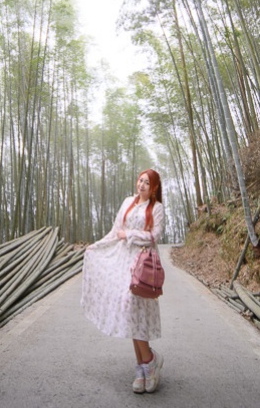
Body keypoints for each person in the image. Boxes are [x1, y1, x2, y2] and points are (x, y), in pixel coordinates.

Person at [81, 169, 166, 394]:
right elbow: (115, 231)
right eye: (140, 180)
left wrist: (129, 235)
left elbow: (154, 236)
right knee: (129, 311)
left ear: (154, 187)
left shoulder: (157, 208)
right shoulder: (128, 202)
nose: (142, 185)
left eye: (147, 183)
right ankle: (144, 365)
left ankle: (148, 361)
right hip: (122, 262)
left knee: (135, 308)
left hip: (143, 265)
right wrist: (96, 246)